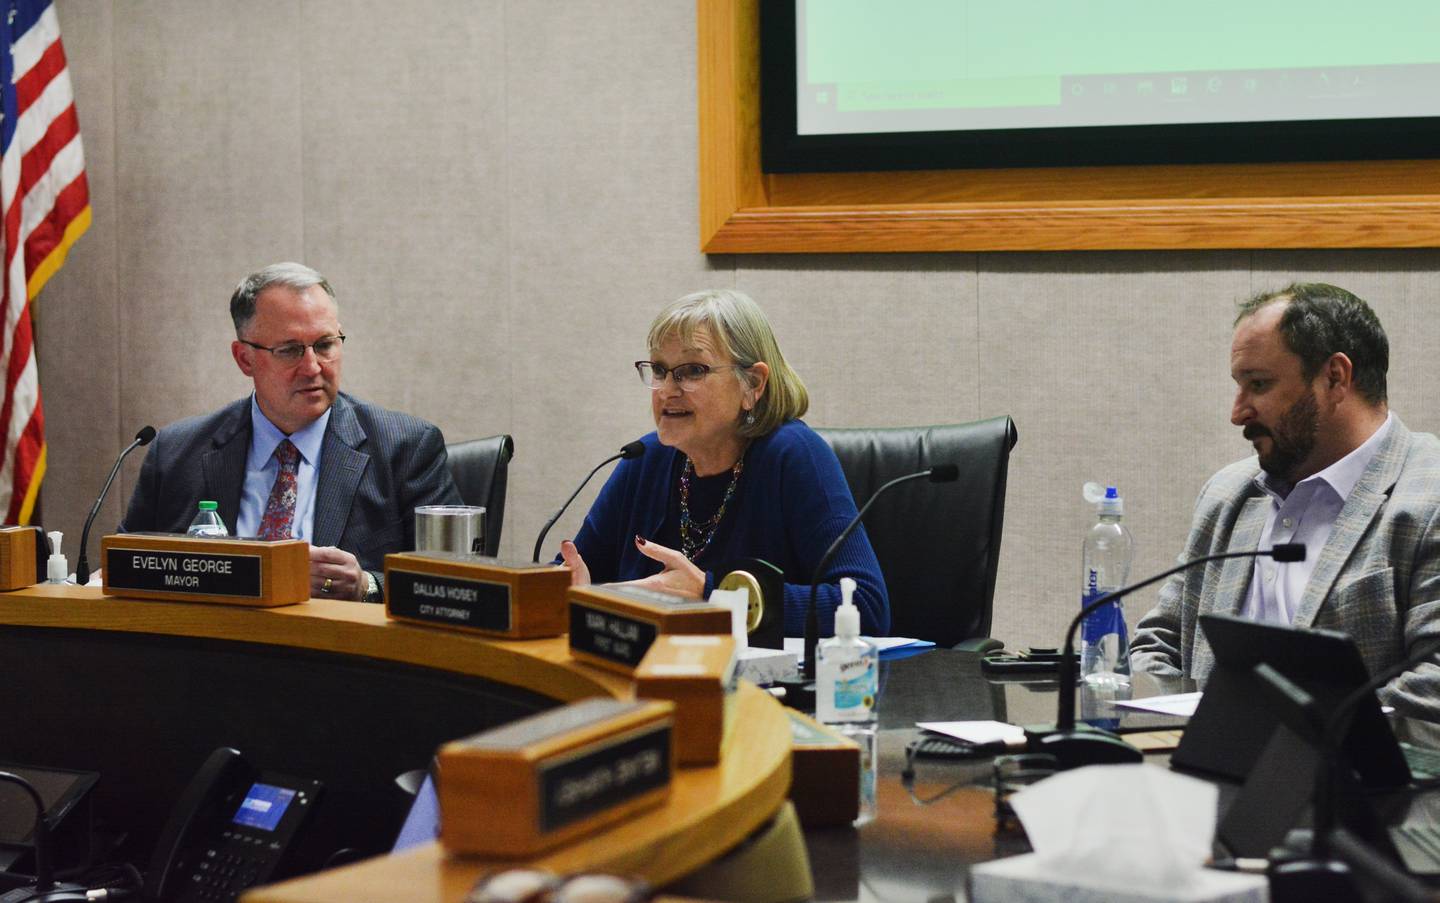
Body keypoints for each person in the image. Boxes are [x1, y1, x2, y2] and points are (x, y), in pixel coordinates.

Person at [1131, 283, 1440, 723]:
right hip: (1209, 773)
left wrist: (1287, 739)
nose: (1237, 413)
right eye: (1239, 386)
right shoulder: (1229, 494)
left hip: (1366, 785)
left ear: (1335, 378)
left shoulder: (1428, 496)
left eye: (1259, 384)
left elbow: (1434, 683)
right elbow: (1155, 645)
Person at [119, 262, 462, 602]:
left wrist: (368, 586)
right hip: (214, 650)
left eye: (325, 345)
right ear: (244, 359)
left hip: (339, 651)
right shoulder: (178, 453)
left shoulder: (405, 449)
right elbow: (122, 569)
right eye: (290, 350)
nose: (312, 367)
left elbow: (453, 586)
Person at [558, 289, 889, 636]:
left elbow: (866, 607)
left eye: (692, 370)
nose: (666, 390)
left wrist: (711, 595)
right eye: (659, 369)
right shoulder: (644, 459)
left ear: (753, 384)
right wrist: (568, 590)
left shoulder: (795, 456)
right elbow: (578, 570)